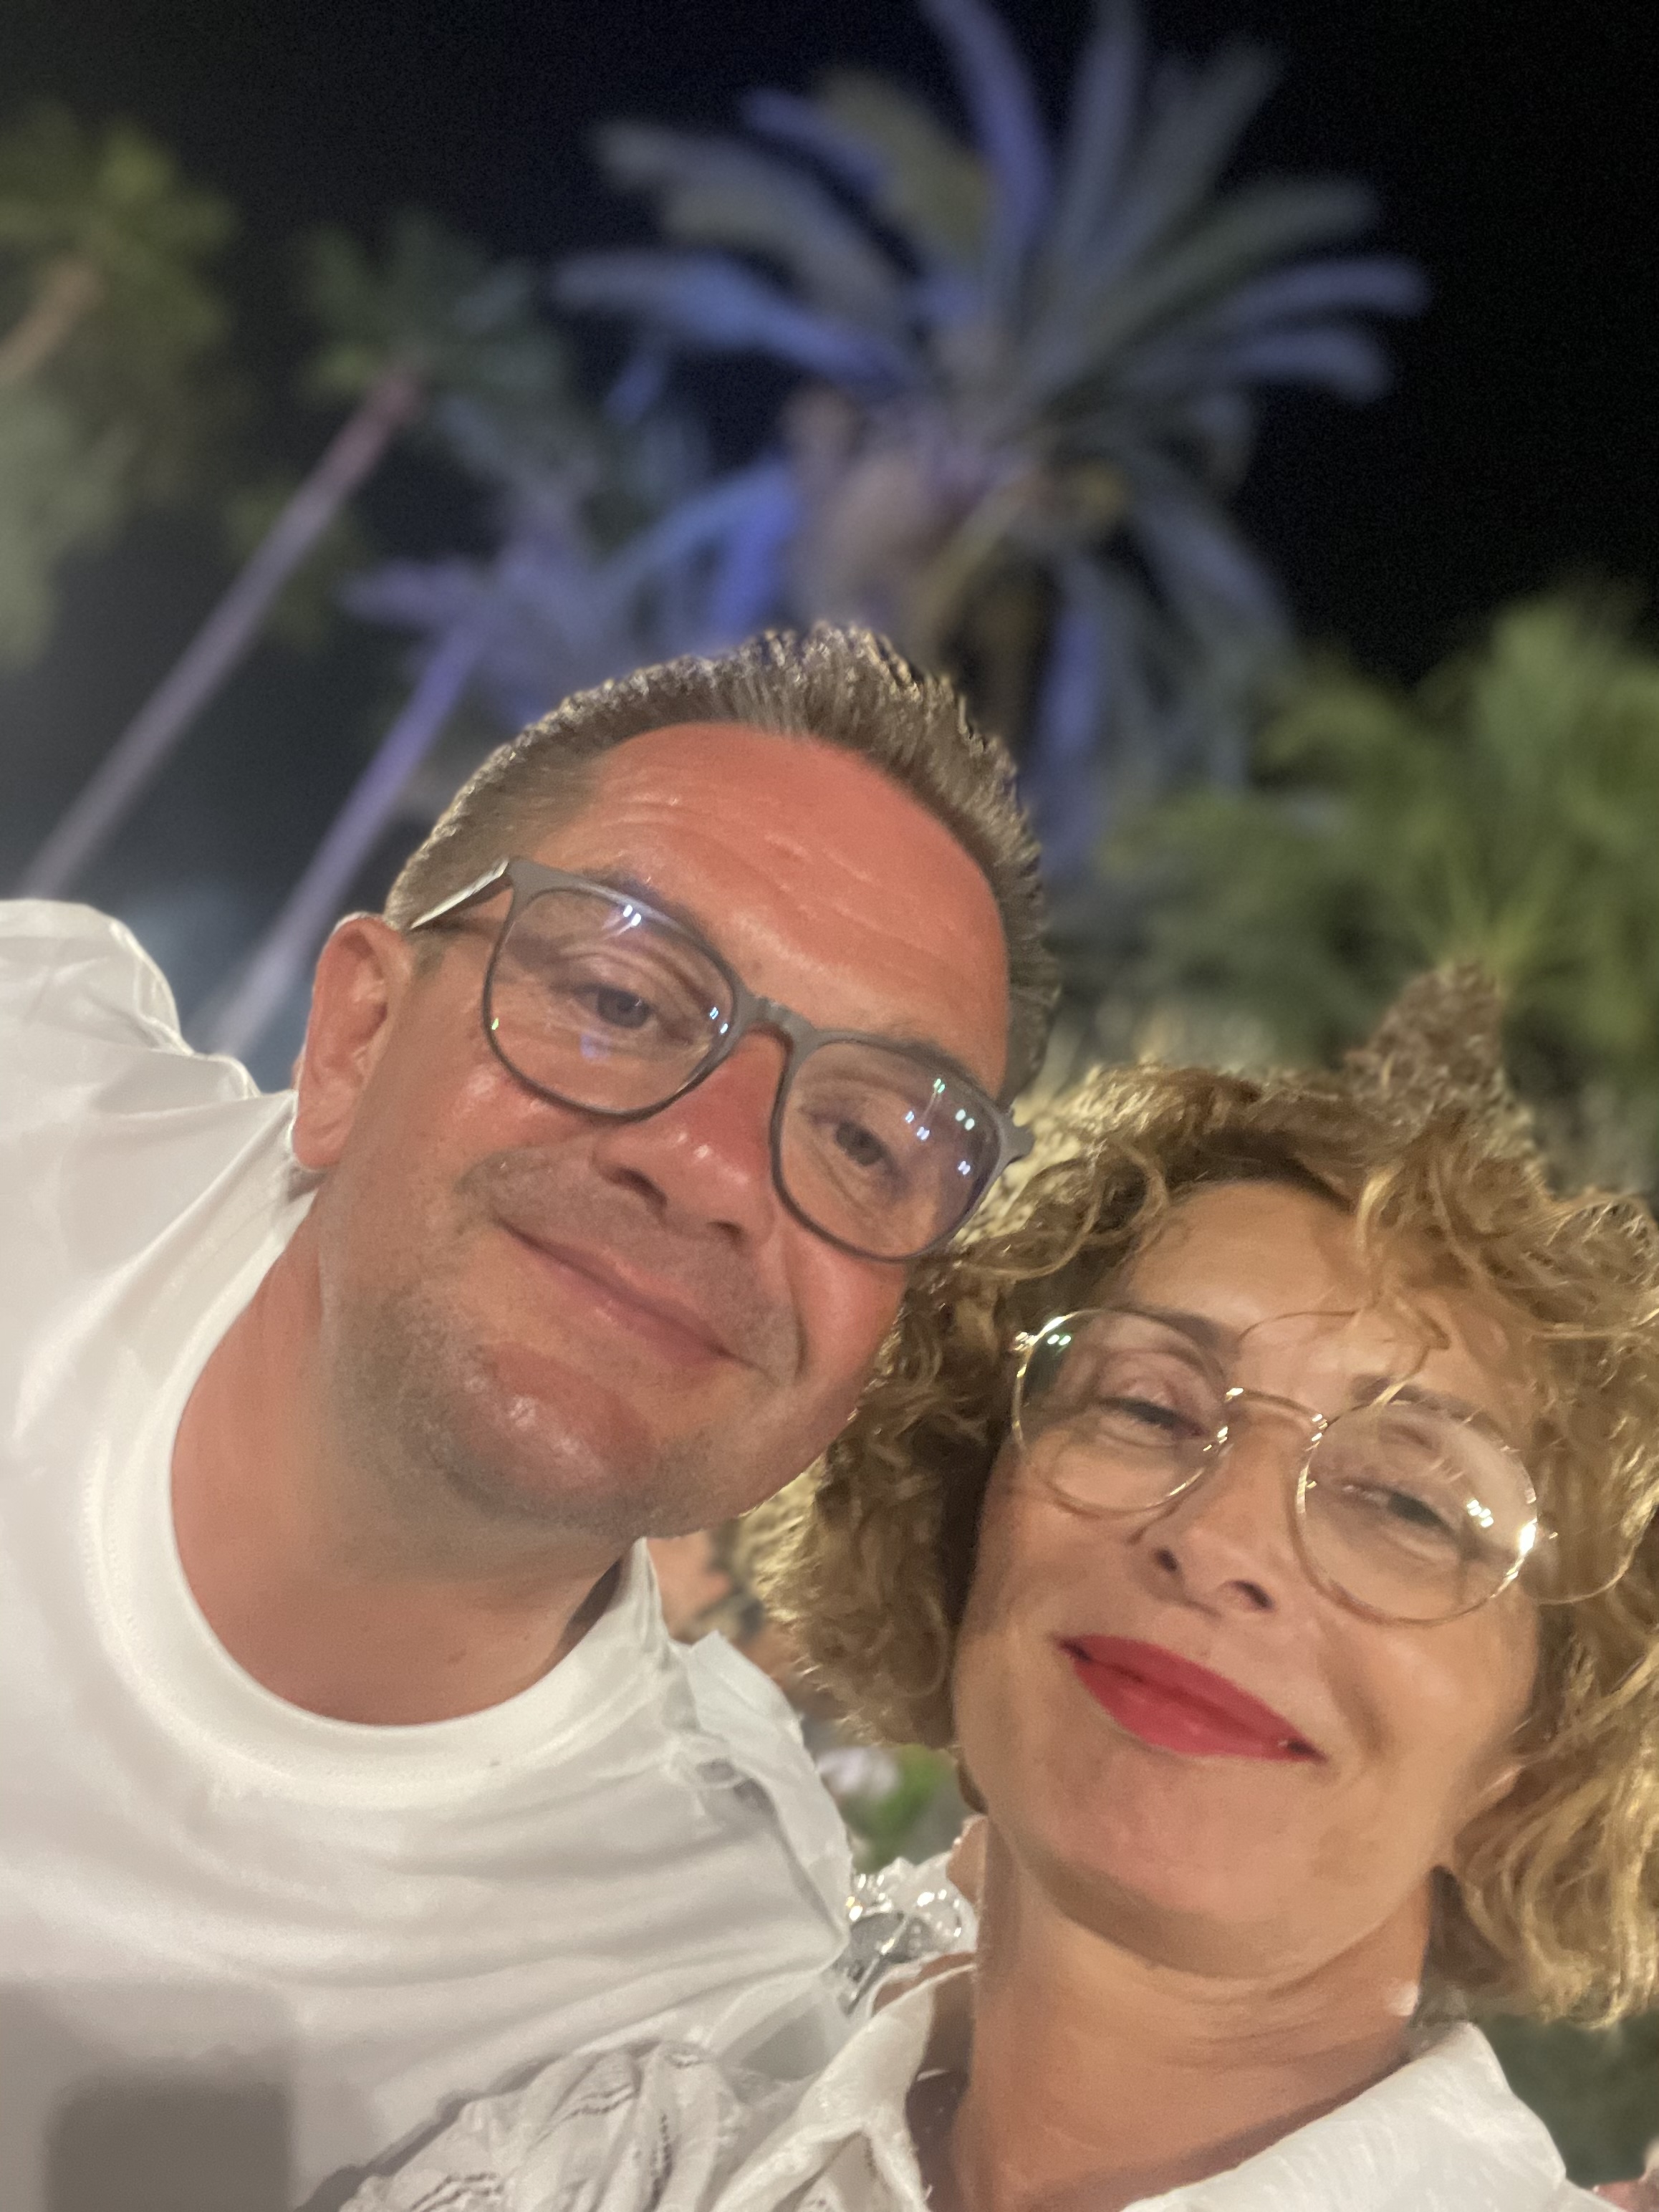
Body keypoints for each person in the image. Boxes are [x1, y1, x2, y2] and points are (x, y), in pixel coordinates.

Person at [0, 625, 1056, 2212]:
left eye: (864, 1139)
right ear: (357, 1034)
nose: (715, 1166)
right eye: (623, 996)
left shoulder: (688, 2025)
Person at [342, 972, 1659, 2210]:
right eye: (1147, 1407)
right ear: (965, 1523)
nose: (1219, 1538)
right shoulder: (587, 2169)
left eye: (1408, 1504)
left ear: (1536, 1763)